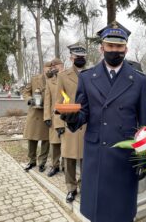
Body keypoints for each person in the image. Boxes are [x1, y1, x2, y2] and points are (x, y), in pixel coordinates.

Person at [60, 21, 146, 222]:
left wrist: (145, 159)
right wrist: (72, 118)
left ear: (126, 48)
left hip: (125, 156)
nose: (115, 50)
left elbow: (145, 124)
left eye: (119, 46)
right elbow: (82, 113)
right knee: (97, 213)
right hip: (96, 155)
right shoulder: (87, 77)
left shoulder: (139, 80)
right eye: (110, 46)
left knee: (121, 213)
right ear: (102, 48)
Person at [54, 42, 87, 203]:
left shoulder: (91, 74)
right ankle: (71, 188)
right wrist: (59, 124)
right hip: (69, 123)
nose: (80, 59)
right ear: (71, 58)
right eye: (77, 56)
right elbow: (58, 101)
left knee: (86, 159)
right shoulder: (63, 76)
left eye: (82, 56)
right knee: (69, 159)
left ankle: (84, 186)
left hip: (87, 123)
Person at [23, 62, 51, 172]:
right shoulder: (34, 79)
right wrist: (29, 99)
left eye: (51, 68)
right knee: (32, 138)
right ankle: (31, 161)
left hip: (47, 112)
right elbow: (26, 92)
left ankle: (42, 163)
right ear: (44, 68)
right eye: (48, 67)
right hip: (35, 113)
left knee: (46, 140)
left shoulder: (55, 79)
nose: (49, 69)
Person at [44, 58, 65, 177]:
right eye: (53, 67)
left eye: (57, 65)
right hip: (54, 116)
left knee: (66, 143)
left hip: (67, 117)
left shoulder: (69, 78)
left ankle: (66, 166)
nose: (54, 68)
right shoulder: (49, 82)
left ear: (62, 65)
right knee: (55, 144)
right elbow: (47, 100)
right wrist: (47, 117)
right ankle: (55, 165)